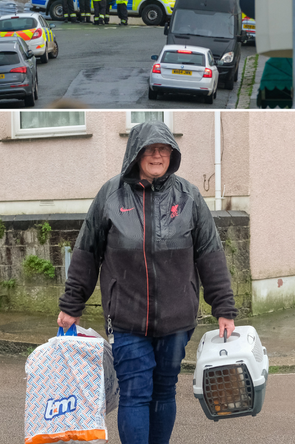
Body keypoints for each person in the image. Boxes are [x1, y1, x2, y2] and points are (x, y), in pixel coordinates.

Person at [57, 121, 236, 444]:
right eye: (151, 149)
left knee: (165, 390)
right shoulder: (110, 196)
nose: (157, 155)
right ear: (136, 153)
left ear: (172, 154)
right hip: (127, 316)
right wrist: (72, 305)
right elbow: (86, 253)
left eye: (164, 149)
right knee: (135, 391)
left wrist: (224, 308)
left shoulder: (189, 197)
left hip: (176, 317)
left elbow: (211, 255)